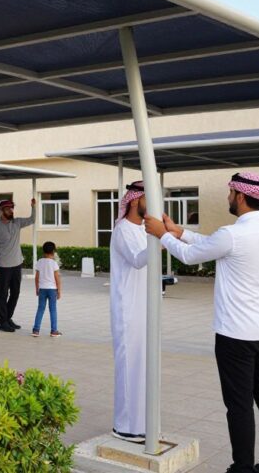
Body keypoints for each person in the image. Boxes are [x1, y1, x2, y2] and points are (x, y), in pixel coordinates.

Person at [147, 172, 259, 473]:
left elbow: (189, 256)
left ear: (240, 195)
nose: (228, 198)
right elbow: (211, 244)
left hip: (236, 336)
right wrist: (179, 231)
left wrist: (163, 234)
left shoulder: (233, 234)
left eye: (230, 193)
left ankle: (243, 468)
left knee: (239, 405)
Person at [108, 180, 149, 444]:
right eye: (148, 198)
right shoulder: (122, 230)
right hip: (127, 309)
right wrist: (161, 239)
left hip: (144, 307)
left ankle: (141, 423)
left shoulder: (145, 230)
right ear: (134, 201)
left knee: (142, 366)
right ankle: (124, 425)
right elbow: (137, 260)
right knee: (127, 365)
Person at [0, 198, 36, 332]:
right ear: (1, 211)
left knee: (15, 293)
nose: (11, 211)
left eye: (12, 208)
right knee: (3, 294)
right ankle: (3, 322)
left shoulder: (17, 222)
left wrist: (33, 206)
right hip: (2, 266)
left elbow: (32, 219)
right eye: (8, 209)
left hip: (16, 265)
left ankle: (8, 318)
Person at [32, 241, 62, 338]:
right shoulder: (54, 264)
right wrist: (59, 291)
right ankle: (54, 331)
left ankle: (36, 330)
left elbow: (36, 278)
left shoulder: (40, 262)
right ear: (53, 251)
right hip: (52, 289)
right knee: (53, 309)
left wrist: (37, 289)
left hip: (42, 289)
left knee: (40, 309)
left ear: (43, 251)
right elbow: (57, 278)